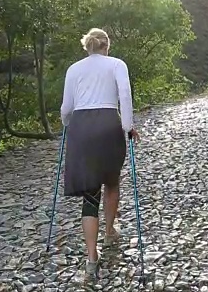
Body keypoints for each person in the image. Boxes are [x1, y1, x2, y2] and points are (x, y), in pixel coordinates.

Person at [60, 27, 140, 281]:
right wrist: (127, 126)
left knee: (90, 194)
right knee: (112, 180)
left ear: (87, 46)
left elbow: (66, 108)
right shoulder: (117, 64)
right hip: (108, 124)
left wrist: (66, 123)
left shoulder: (74, 69)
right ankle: (109, 230)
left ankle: (91, 257)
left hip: (82, 128)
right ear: (107, 46)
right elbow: (125, 96)